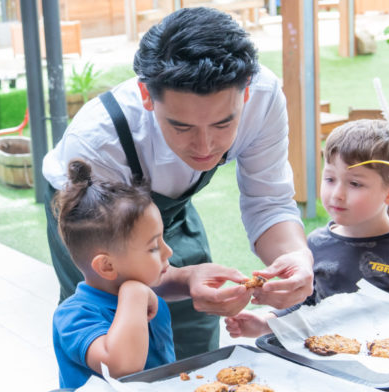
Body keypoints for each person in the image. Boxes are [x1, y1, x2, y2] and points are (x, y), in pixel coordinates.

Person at [43, 7, 314, 359]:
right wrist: (184, 280)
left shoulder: (263, 99)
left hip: (167, 211)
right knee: (116, 335)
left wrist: (296, 258)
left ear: (245, 93)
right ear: (146, 95)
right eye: (181, 127)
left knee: (196, 330)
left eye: (222, 125)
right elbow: (118, 280)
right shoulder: (97, 143)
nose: (205, 148)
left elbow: (269, 201)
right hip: (94, 220)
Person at [225, 119, 389, 338]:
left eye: (355, 183)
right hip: (325, 365)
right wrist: (267, 323)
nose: (337, 194)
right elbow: (308, 304)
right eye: (330, 179)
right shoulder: (314, 245)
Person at [52, 160, 176, 389]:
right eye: (154, 247)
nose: (169, 251)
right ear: (107, 266)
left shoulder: (150, 298)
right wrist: (135, 293)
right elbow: (121, 368)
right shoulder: (73, 316)